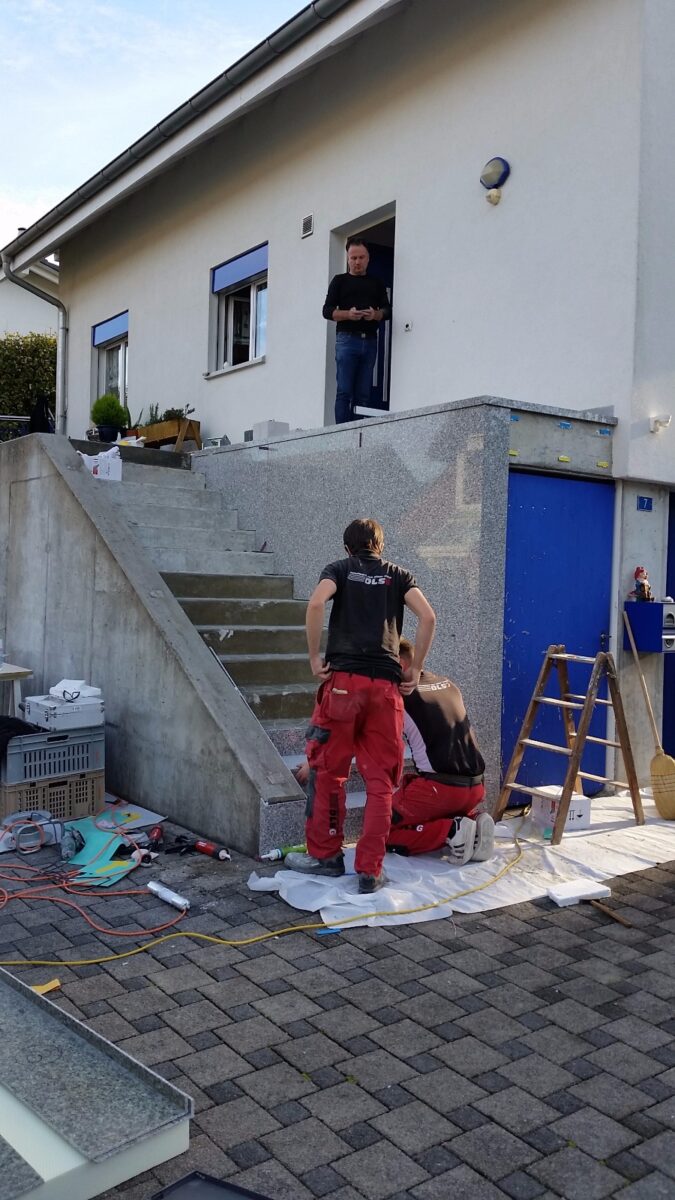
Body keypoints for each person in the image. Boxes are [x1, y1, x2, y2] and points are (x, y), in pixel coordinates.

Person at [285, 518, 436, 893]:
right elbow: (429, 616)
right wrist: (414, 669)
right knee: (381, 781)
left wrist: (313, 657)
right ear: (379, 547)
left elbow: (317, 602)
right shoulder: (399, 575)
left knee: (329, 772)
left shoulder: (339, 569)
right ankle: (370, 870)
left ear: (348, 548)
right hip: (385, 689)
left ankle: (327, 857)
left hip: (343, 686)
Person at [386, 638, 495, 864]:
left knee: (381, 828)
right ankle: (474, 820)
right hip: (475, 787)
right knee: (426, 799)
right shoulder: (447, 683)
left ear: (400, 663)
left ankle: (451, 831)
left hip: (440, 789)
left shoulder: (399, 695)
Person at [322, 238, 391, 424]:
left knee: (363, 392)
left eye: (361, 257)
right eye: (353, 258)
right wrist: (348, 314)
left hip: (369, 341)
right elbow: (327, 311)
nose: (357, 262)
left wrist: (375, 315)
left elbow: (387, 310)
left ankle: (361, 433)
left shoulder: (376, 283)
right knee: (344, 390)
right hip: (346, 340)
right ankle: (342, 432)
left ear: (368, 258)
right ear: (347, 259)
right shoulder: (339, 281)